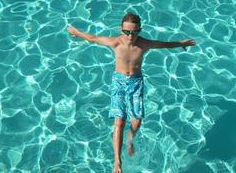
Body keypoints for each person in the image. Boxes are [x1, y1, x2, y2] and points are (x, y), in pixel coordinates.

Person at [67, 12, 196, 173]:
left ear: (139, 31)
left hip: (136, 82)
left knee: (136, 122)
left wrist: (180, 43)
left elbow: (164, 44)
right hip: (119, 82)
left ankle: (130, 139)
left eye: (134, 32)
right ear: (121, 30)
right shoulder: (115, 43)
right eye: (127, 31)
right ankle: (117, 162)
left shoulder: (144, 44)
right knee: (119, 121)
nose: (130, 35)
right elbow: (93, 38)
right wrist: (77, 32)